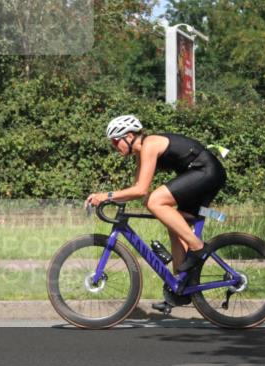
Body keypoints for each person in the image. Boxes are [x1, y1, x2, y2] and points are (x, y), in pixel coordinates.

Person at [84, 114, 227, 307]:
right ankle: (181, 286)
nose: (114, 146)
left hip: (205, 171)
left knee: (155, 201)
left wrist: (106, 195)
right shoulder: (140, 155)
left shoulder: (149, 144)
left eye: (116, 141)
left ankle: (197, 247)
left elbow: (142, 190)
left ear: (128, 136)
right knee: (173, 223)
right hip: (200, 175)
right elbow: (136, 191)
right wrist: (111, 198)